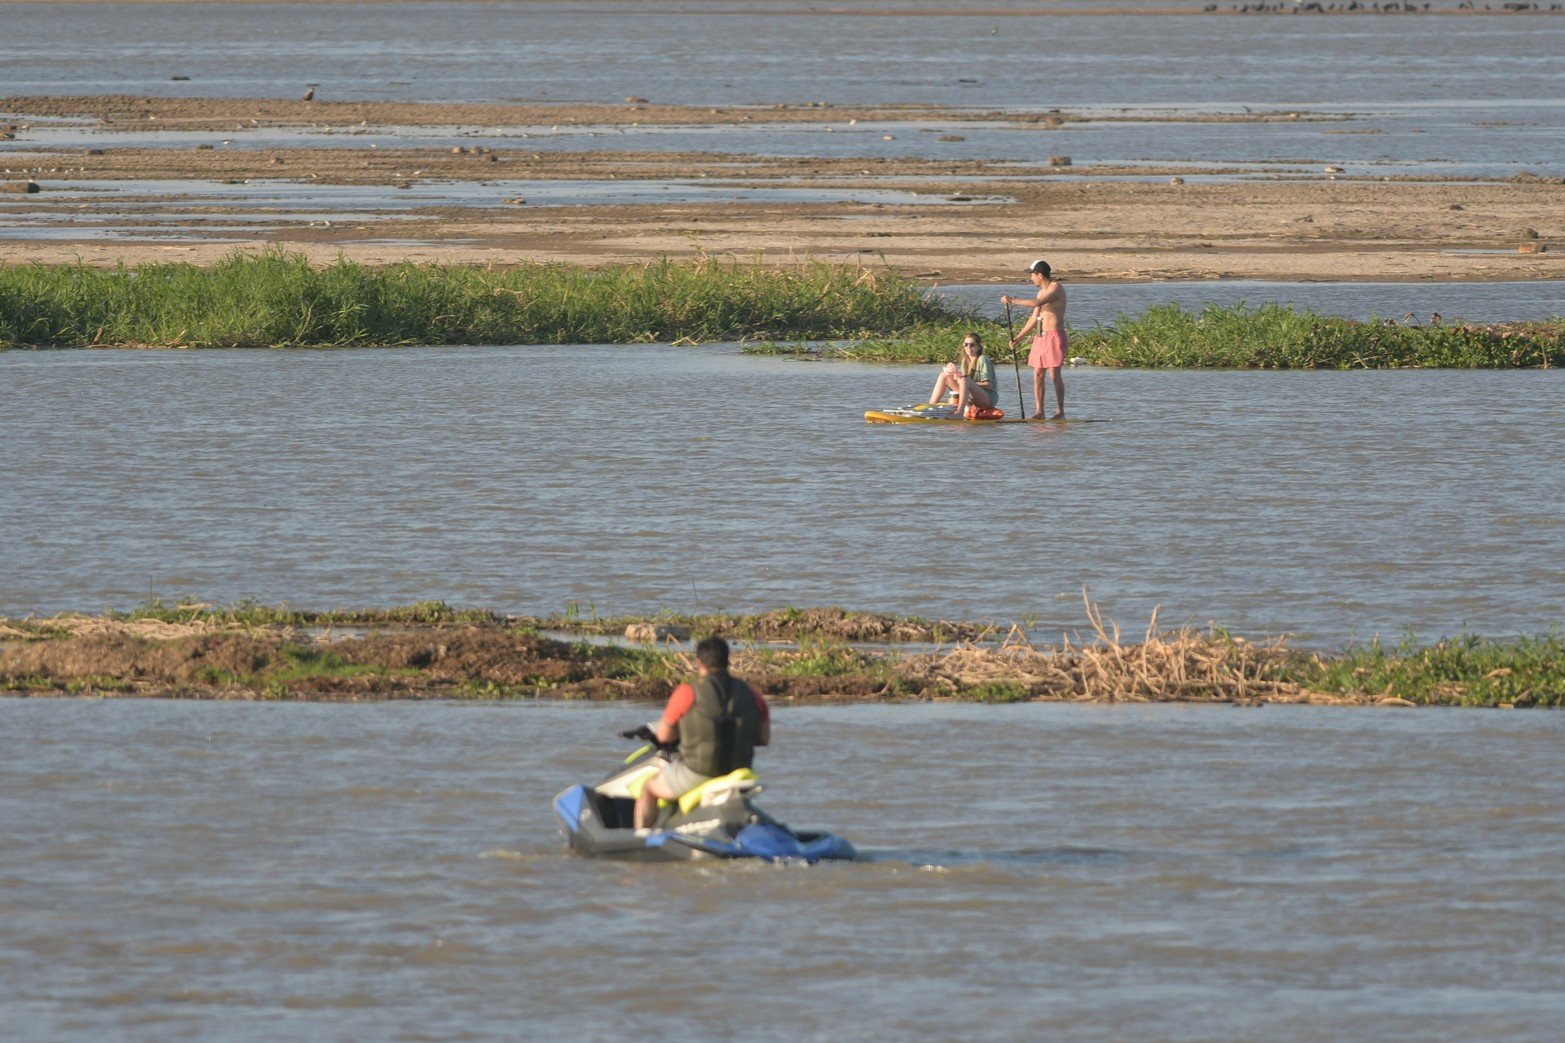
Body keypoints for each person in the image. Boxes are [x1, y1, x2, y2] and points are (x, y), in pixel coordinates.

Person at [633, 636, 771, 831]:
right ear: (727, 660)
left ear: (699, 662)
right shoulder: (753, 694)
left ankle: (641, 839)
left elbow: (664, 736)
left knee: (649, 788)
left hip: (698, 772)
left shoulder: (687, 692)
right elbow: (763, 739)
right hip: (740, 770)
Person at [1002, 259, 1067, 419]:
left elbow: (1036, 303)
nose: (1031, 278)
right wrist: (1018, 338)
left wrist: (1013, 300)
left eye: (1032, 275)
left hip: (1054, 336)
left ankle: (1060, 412)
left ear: (1039, 275)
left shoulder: (1056, 288)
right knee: (1037, 373)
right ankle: (1040, 412)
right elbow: (1033, 319)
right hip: (1041, 337)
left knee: (1054, 374)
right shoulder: (1040, 292)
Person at [927, 333, 998, 416]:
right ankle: (931, 406)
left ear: (979, 347)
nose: (968, 347)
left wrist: (967, 382)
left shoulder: (983, 359)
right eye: (965, 344)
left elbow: (988, 385)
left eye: (972, 345)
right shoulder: (965, 360)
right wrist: (956, 375)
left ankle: (960, 412)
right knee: (944, 375)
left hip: (987, 398)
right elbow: (964, 382)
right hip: (971, 395)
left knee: (965, 380)